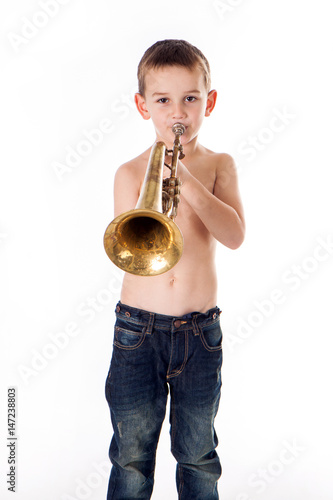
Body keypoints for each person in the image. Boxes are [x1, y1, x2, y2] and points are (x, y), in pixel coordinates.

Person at [105, 39, 245, 500]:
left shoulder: (220, 166)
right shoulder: (129, 173)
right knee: (131, 454)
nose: (177, 111)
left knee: (198, 453)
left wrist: (189, 183)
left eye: (190, 98)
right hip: (137, 331)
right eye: (163, 100)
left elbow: (235, 235)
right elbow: (135, 250)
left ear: (211, 102)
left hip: (201, 333)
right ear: (144, 107)